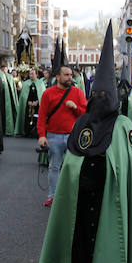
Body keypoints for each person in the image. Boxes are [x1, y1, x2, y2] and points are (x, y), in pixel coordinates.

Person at [38, 22, 132, 263]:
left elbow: (126, 164)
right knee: (79, 229)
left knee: (106, 229)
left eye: (105, 96)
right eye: (96, 96)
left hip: (108, 190)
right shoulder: (84, 122)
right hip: (84, 188)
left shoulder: (124, 124)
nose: (100, 99)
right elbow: (74, 155)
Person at [37, 65, 87, 206]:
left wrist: (76, 108)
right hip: (53, 136)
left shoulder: (77, 92)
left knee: (74, 168)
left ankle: (73, 197)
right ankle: (53, 196)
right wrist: (42, 135)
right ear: (57, 77)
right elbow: (41, 117)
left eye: (70, 75)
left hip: (72, 136)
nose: (70, 77)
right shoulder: (48, 94)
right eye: (66, 75)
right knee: (54, 167)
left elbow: (86, 114)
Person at [15, 68, 46, 138]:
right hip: (28, 105)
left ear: (36, 75)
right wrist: (28, 101)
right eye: (30, 74)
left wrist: (37, 101)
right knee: (27, 118)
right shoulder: (26, 83)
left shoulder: (40, 83)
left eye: (32, 74)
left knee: (36, 118)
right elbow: (23, 96)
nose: (31, 75)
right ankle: (26, 132)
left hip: (37, 105)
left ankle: (36, 132)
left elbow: (42, 95)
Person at [0, 64, 19, 137]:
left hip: (8, 99)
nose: (6, 71)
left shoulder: (9, 77)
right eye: (6, 69)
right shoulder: (0, 75)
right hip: (2, 99)